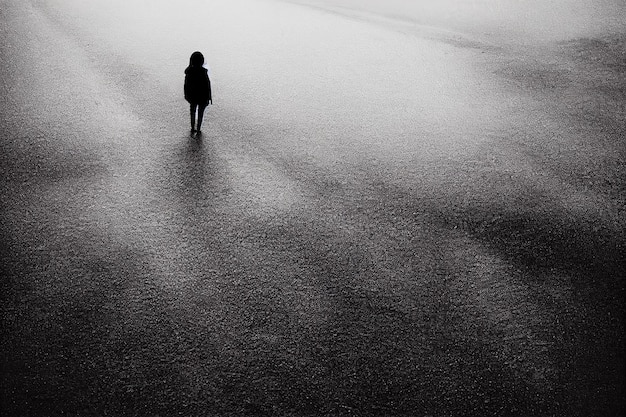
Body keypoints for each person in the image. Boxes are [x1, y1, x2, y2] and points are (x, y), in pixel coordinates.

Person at [184, 51, 212, 133]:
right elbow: (207, 85)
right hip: (203, 96)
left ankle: (193, 127)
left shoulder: (189, 72)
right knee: (200, 113)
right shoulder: (203, 72)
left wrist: (186, 95)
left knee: (192, 110)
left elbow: (186, 85)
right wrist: (209, 97)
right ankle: (198, 128)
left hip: (193, 96)